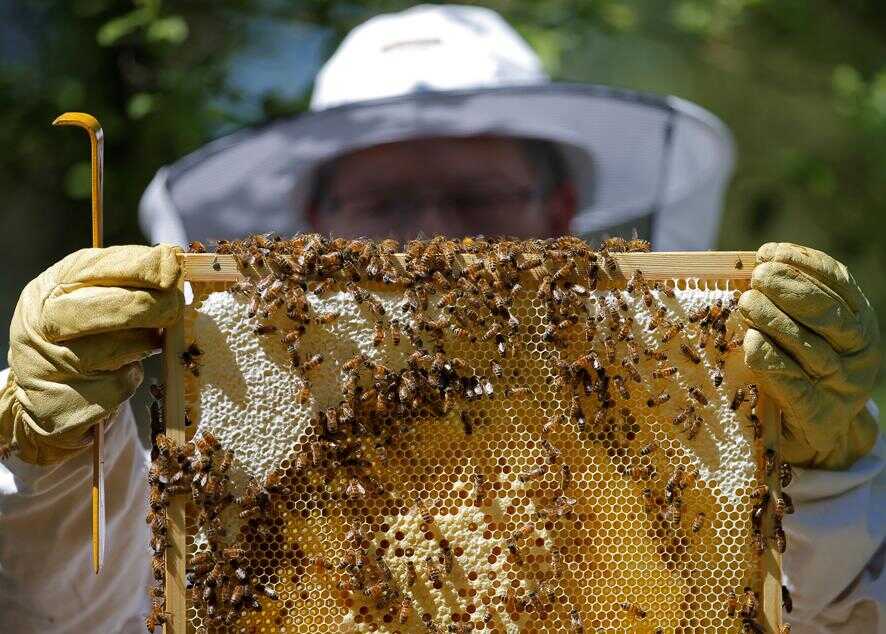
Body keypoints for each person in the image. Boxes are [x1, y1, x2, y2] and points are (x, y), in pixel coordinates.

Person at [1, 5, 882, 633]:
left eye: (473, 193)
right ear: (313, 224)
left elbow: (833, 620)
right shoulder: (238, 439)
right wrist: (43, 469)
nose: (431, 231)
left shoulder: (684, 415)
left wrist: (830, 486)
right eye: (382, 199)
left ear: (562, 206)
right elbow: (80, 620)